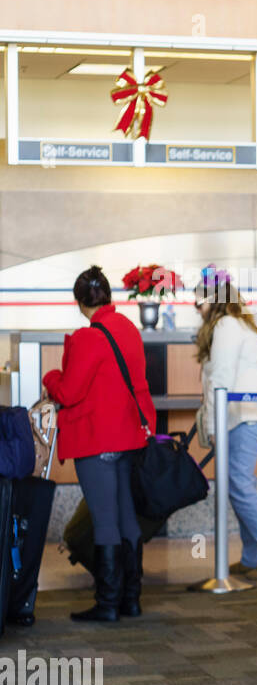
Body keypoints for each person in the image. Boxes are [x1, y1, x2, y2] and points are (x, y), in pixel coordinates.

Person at [43, 266, 156, 622]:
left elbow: (70, 392)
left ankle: (108, 603)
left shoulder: (89, 337)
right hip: (127, 438)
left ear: (79, 302)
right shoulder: (128, 329)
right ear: (108, 295)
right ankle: (131, 600)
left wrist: (51, 376)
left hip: (97, 441)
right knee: (125, 516)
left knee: (105, 519)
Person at [195, 271, 257, 579]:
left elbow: (221, 378)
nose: (196, 308)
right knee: (239, 484)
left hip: (244, 414)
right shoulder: (241, 324)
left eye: (200, 301)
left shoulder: (225, 326)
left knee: (238, 484)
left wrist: (212, 425)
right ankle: (252, 557)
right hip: (248, 414)